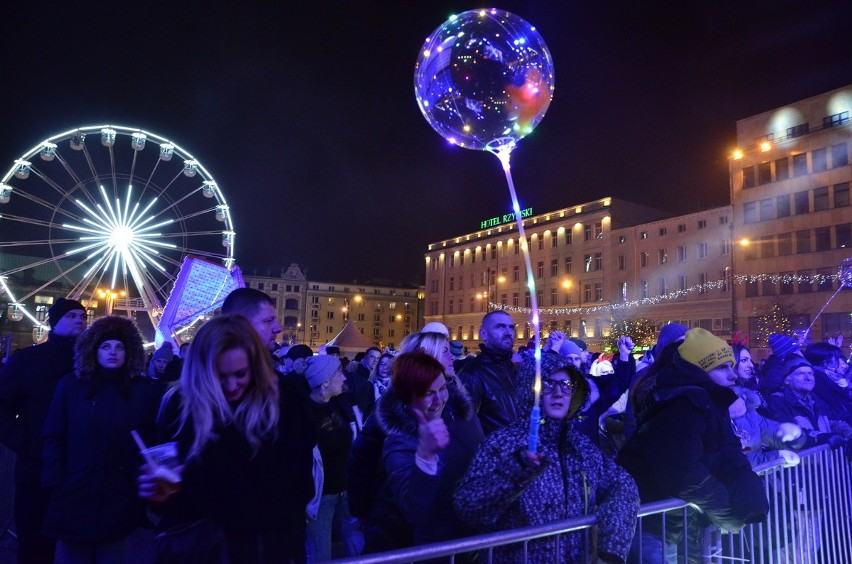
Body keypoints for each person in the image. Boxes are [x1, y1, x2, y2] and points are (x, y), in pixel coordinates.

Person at [139, 314, 314, 563]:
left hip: (265, 550)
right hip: (202, 552)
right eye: (220, 377)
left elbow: (298, 488)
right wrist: (158, 495)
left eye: (241, 374)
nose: (231, 386)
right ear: (201, 372)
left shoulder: (282, 403)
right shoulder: (179, 407)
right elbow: (172, 503)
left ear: (255, 367)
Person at [455, 353, 639, 563]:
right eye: (548, 384)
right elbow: (468, 507)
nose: (558, 393)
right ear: (530, 390)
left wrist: (609, 550)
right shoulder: (503, 443)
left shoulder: (580, 446)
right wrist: (514, 472)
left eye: (566, 384)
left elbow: (622, 485)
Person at [617, 328, 768, 562]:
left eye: (731, 366)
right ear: (699, 370)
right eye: (722, 367)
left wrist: (750, 497)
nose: (733, 375)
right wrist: (727, 512)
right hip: (652, 521)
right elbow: (681, 470)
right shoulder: (683, 404)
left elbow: (726, 451)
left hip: (679, 518)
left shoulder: (711, 401)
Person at [41, 315, 161, 562]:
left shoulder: (141, 390)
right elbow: (54, 432)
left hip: (117, 494)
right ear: (94, 350)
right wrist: (55, 476)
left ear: (129, 352)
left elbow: (148, 437)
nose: (113, 352)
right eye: (106, 346)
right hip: (75, 492)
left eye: (119, 347)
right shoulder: (71, 386)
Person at [366, 351, 484, 552]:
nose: (439, 399)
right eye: (428, 393)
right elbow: (415, 511)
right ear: (407, 396)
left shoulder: (461, 415)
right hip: (430, 547)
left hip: (469, 539)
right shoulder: (399, 442)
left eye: (443, 388)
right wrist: (426, 456)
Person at [0, 297, 87, 564]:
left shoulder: (92, 364)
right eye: (72, 316)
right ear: (55, 321)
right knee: (35, 540)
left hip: (79, 466)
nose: (80, 321)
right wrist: (25, 443)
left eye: (82, 317)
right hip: (36, 464)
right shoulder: (26, 361)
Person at [303, 355, 364, 561]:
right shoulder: (304, 413)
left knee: (358, 549)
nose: (344, 377)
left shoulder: (339, 404)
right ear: (325, 380)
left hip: (346, 490)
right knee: (320, 554)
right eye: (339, 373)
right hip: (321, 497)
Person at [457, 310, 518, 436]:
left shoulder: (514, 370)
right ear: (484, 334)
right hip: (493, 453)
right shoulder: (472, 374)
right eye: (500, 327)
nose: (508, 333)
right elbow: (463, 429)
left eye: (511, 328)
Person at [346, 347, 381, 418]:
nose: (375, 360)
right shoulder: (354, 376)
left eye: (378, 358)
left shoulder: (379, 377)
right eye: (372, 357)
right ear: (365, 358)